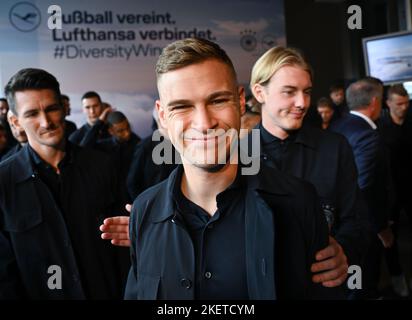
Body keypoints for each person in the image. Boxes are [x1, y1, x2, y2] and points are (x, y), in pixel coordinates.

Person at [118, 38, 347, 299]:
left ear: (240, 101)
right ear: (162, 116)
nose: (204, 123)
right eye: (182, 106)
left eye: (217, 101)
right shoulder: (143, 212)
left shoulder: (298, 201)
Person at [0, 68, 129, 299]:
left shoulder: (104, 166)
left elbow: (124, 251)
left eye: (51, 109)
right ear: (15, 121)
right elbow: (5, 275)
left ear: (63, 108)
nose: (46, 122)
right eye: (32, 114)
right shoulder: (3, 182)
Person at [249, 46, 365, 279]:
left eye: (307, 91)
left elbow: (355, 220)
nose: (302, 102)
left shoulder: (335, 147)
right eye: (289, 92)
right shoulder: (235, 154)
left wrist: (342, 250)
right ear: (260, 93)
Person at [330, 77, 393, 299]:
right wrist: (380, 227)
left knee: (352, 281)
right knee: (363, 280)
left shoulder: (337, 125)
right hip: (363, 225)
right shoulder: (368, 136)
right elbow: (363, 188)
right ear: (375, 101)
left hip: (339, 223)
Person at [377, 84, 412, 296]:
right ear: (388, 103)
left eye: (406, 102)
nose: (404, 107)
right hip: (390, 191)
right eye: (399, 104)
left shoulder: (411, 121)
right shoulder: (380, 127)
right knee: (390, 238)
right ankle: (397, 277)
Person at [127, 108, 178, 200]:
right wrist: (142, 206)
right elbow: (132, 182)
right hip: (154, 203)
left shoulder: (181, 143)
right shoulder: (145, 145)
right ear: (159, 119)